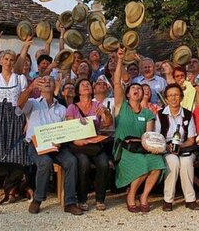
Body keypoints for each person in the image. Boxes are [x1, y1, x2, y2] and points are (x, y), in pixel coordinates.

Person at [17, 76, 82, 215]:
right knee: (45, 163)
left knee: (71, 161)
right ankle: (38, 199)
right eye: (43, 80)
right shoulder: (33, 103)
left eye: (50, 81)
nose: (47, 82)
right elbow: (19, 104)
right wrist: (30, 88)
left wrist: (61, 141)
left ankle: (70, 202)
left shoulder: (62, 108)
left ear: (55, 86)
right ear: (39, 86)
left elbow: (66, 129)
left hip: (57, 146)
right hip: (36, 146)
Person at [113, 47, 165, 213]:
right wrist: (120, 59)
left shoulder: (148, 113)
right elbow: (116, 83)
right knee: (142, 165)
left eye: (140, 89)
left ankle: (144, 196)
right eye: (133, 89)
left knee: (158, 164)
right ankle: (131, 196)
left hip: (141, 146)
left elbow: (148, 136)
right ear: (127, 93)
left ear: (144, 93)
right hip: (124, 148)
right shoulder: (122, 107)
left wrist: (154, 149)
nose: (136, 90)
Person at [65, 78, 113, 211]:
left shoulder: (97, 105)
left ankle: (100, 199)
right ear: (78, 91)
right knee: (84, 164)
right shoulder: (72, 107)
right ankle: (82, 199)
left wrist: (106, 112)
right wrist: (76, 141)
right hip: (78, 144)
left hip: (94, 144)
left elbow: (108, 123)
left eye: (88, 84)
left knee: (103, 163)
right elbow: (69, 128)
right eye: (82, 85)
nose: (86, 86)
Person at [155, 83, 199, 211]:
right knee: (173, 162)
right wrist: (168, 147)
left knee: (186, 162)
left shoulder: (188, 114)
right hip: (166, 147)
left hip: (185, 147)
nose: (173, 98)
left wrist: (180, 146)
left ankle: (190, 199)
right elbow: (157, 138)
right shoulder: (159, 115)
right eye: (170, 96)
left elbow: (191, 139)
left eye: (176, 95)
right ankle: (168, 200)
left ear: (181, 97)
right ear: (166, 98)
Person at [0, 50, 29, 166]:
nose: (8, 62)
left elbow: (25, 102)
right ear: (0, 61)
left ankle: (16, 177)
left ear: (14, 63)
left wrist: (28, 121)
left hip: (17, 114)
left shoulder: (20, 79)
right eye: (6, 59)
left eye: (11, 60)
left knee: (17, 145)